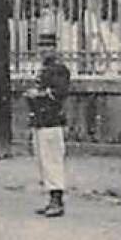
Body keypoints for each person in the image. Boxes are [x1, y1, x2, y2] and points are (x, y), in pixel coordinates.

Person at [27, 32, 71, 218]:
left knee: (52, 161)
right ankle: (51, 199)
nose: (45, 50)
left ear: (55, 48)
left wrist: (38, 94)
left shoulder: (59, 69)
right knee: (43, 161)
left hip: (52, 121)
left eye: (49, 47)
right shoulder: (44, 69)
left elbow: (59, 93)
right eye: (42, 47)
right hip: (40, 121)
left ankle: (57, 201)